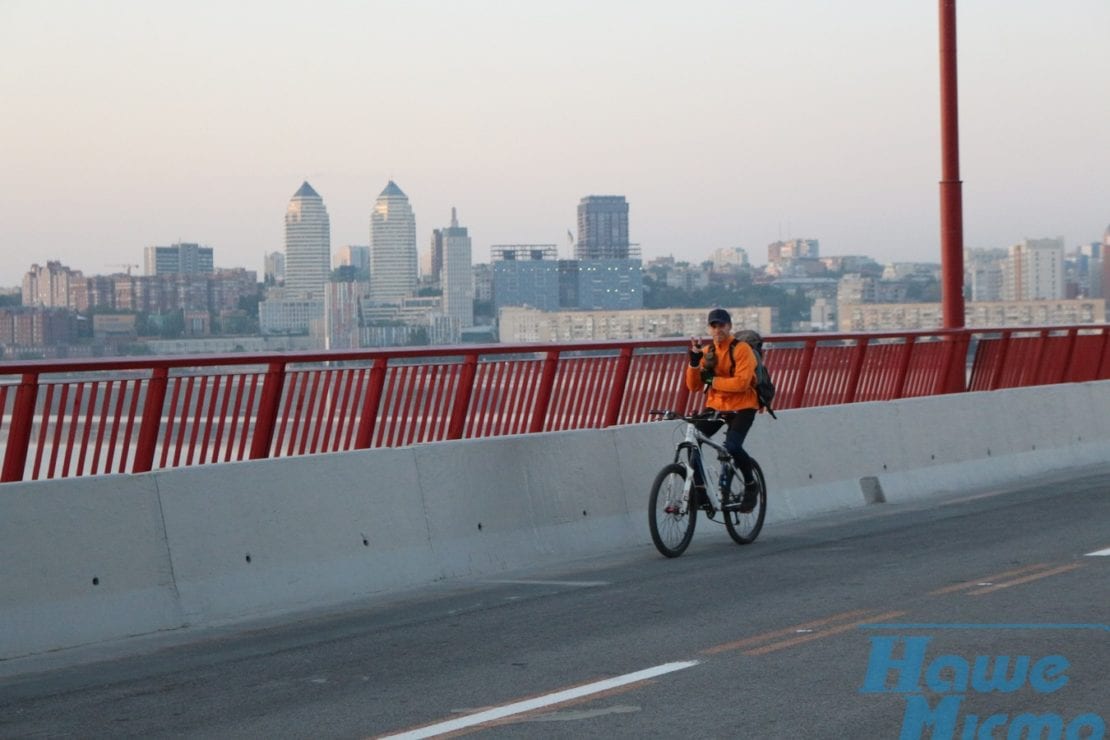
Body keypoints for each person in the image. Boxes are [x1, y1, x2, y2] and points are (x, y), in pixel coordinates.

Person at [685, 308, 761, 513]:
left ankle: (751, 485)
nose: (718, 329)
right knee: (694, 441)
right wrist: (693, 364)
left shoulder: (741, 349)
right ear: (709, 328)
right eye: (714, 325)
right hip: (717, 406)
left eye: (722, 325)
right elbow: (694, 387)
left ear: (729, 326)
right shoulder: (708, 352)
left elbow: (742, 384)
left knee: (733, 446)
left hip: (744, 406)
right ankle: (700, 491)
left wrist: (712, 380)